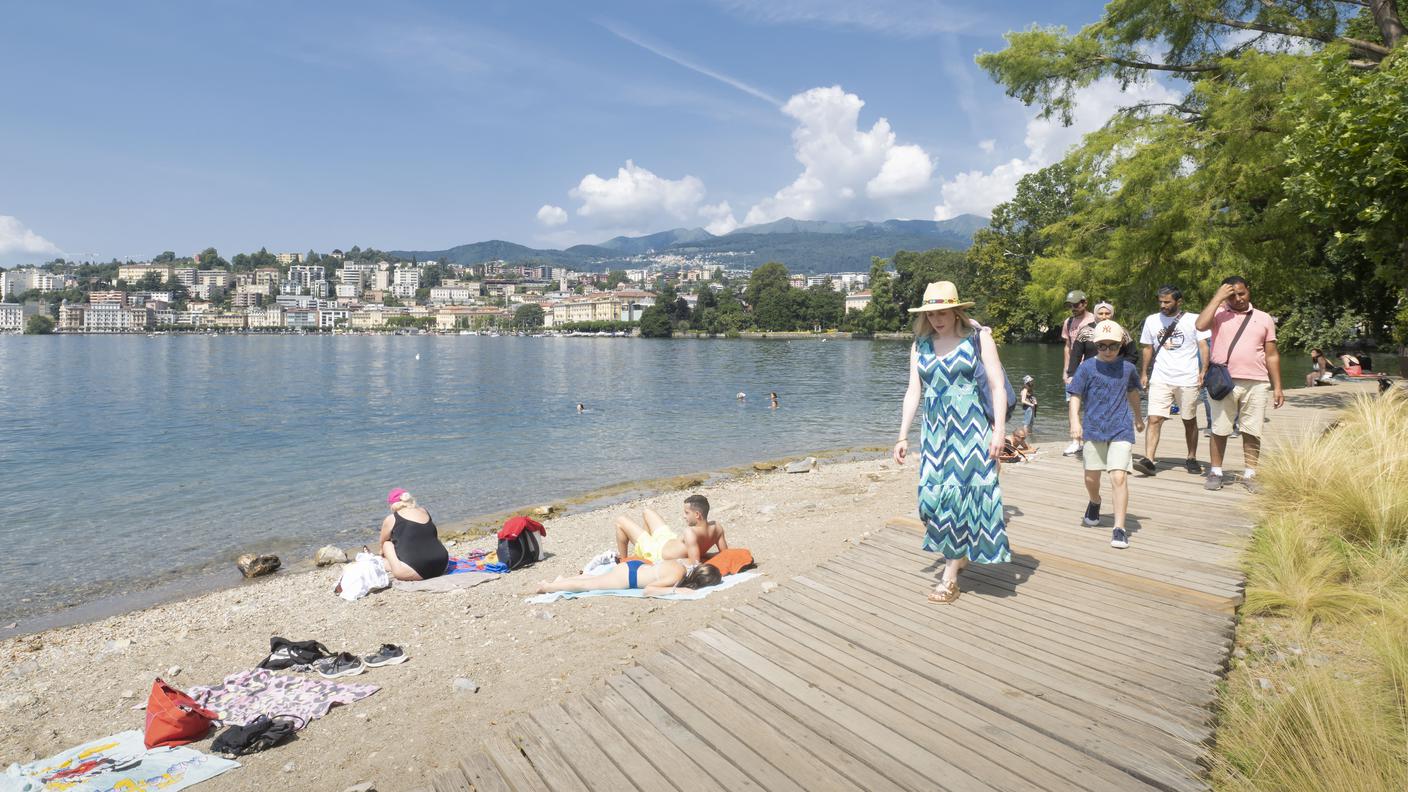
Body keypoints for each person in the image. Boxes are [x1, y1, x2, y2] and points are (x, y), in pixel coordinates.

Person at [893, 281, 1010, 604]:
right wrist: (902, 435)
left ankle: (949, 579)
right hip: (934, 433)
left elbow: (997, 386)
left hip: (970, 429)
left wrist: (999, 431)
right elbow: (913, 391)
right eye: (931, 314)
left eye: (942, 313)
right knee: (929, 501)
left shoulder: (978, 338)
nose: (936, 320)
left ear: (956, 311)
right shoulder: (920, 344)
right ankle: (959, 553)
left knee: (956, 501)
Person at [1195, 276, 1284, 493]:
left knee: (1252, 430)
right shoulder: (1218, 314)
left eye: (1242, 293)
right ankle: (1216, 472)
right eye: (1232, 295)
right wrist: (1218, 298)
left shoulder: (1264, 318)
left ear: (1248, 290)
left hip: (1257, 382)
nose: (1238, 299)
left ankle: (1250, 474)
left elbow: (1271, 355)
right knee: (1219, 428)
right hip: (1224, 381)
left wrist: (1278, 387)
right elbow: (1200, 325)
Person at [1068, 321, 1145, 549]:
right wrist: (1075, 421)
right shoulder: (1086, 368)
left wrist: (1138, 417)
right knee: (1091, 478)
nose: (1108, 350)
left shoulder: (1127, 368)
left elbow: (1132, 392)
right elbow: (1075, 395)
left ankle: (1119, 528)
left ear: (1121, 345)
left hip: (1121, 427)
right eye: (1102, 346)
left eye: (1113, 346)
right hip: (1093, 428)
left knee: (1118, 477)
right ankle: (1095, 501)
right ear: (1096, 345)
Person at [1135, 286, 1210, 476]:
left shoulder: (1194, 319)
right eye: (1160, 301)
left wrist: (1204, 370)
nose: (1163, 305)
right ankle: (1149, 460)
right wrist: (1144, 373)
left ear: (1179, 301)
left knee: (1189, 420)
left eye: (1167, 302)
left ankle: (1191, 457)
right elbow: (1147, 348)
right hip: (1161, 376)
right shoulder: (1152, 320)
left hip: (1187, 377)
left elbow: (1203, 346)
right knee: (1154, 418)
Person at [613, 494, 728, 566]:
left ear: (697, 514)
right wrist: (707, 554)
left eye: (687, 513)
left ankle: (623, 561)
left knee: (620, 520)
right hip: (669, 539)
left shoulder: (690, 532)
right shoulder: (717, 527)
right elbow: (725, 554)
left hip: (657, 552)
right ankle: (642, 551)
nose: (684, 516)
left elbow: (695, 564)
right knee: (647, 512)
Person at [535, 557, 722, 596]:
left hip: (635, 566)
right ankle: (548, 587)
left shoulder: (683, 565)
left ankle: (560, 581)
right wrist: (676, 590)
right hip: (629, 577)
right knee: (588, 586)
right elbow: (648, 590)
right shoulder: (678, 576)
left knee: (592, 579)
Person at [378, 488, 449, 581]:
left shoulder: (392, 519)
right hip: (442, 565)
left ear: (392, 505)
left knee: (386, 544)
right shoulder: (424, 511)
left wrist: (382, 553)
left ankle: (386, 564)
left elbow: (382, 543)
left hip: (418, 571)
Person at [1060, 290, 1098, 456]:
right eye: (1070, 305)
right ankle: (1076, 441)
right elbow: (1068, 346)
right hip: (1074, 370)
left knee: (1093, 404)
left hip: (1092, 368)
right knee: (1072, 404)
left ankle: (1093, 438)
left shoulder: (1096, 319)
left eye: (1076, 304)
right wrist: (1066, 370)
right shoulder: (1068, 322)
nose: (1073, 308)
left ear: (1084, 303)